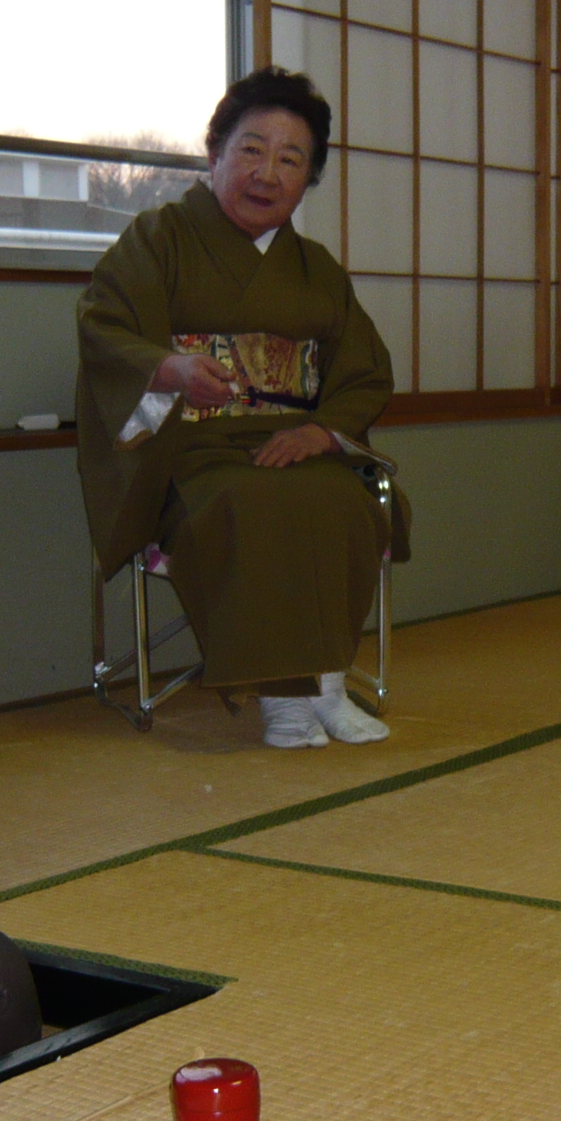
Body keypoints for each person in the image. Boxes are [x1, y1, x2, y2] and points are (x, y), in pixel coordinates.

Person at [76, 68, 402, 749]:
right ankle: (286, 703)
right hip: (191, 450)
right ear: (214, 153)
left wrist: (321, 430)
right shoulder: (158, 239)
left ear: (308, 178)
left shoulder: (316, 268)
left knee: (345, 503)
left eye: (291, 159)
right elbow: (106, 328)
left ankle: (329, 688)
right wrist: (172, 369)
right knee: (245, 504)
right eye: (251, 150)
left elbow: (364, 369)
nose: (268, 173)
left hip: (294, 443)